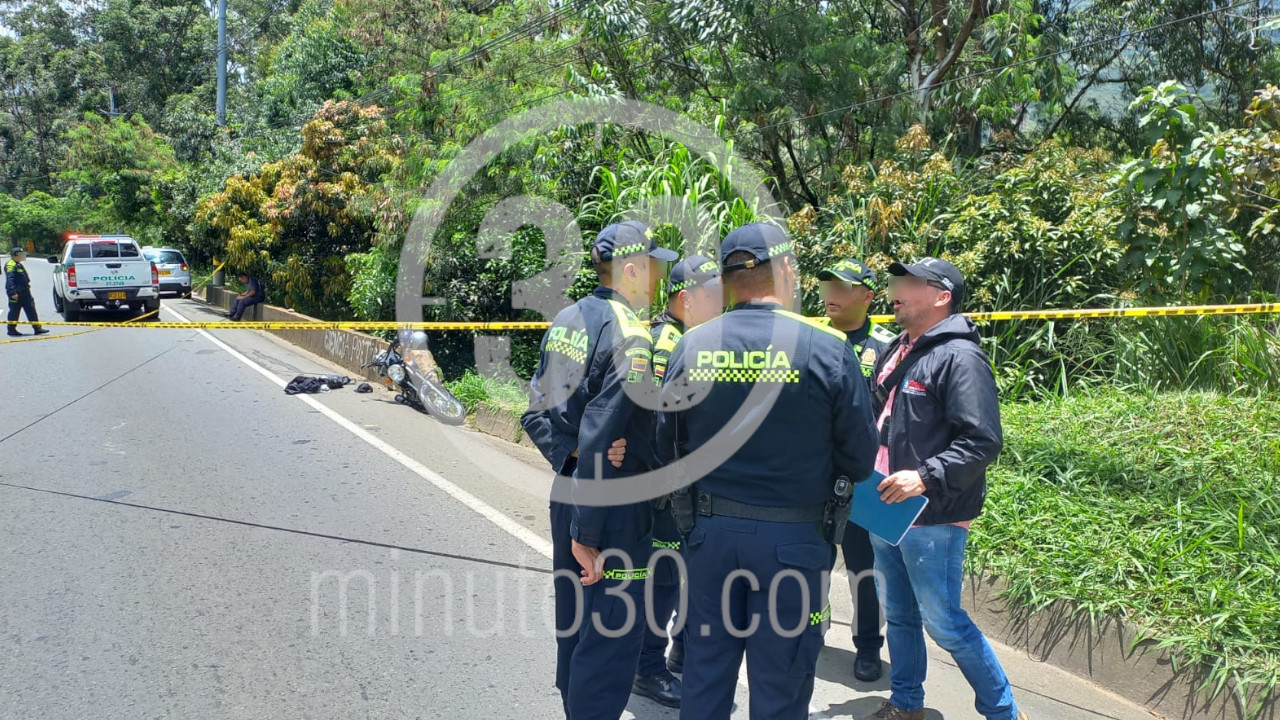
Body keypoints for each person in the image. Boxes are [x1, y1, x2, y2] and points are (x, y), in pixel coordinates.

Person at [656, 223, 878, 720]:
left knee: (705, 677)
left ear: (729, 279)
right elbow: (860, 458)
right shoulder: (828, 351)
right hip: (795, 542)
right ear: (785, 271)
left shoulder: (691, 347)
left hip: (709, 537)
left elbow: (666, 443)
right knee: (781, 685)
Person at [521, 220, 677, 720]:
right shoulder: (630, 334)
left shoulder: (567, 318)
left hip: (570, 490)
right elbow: (604, 428)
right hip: (608, 509)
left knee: (575, 624)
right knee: (610, 638)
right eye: (653, 267)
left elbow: (535, 411)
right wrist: (588, 530)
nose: (658, 279)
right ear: (630, 269)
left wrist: (572, 454)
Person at [857, 258, 1026, 720]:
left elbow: (983, 440)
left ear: (941, 295)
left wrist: (925, 477)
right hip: (884, 505)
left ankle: (1003, 712)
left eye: (908, 283)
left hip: (931, 513)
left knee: (945, 622)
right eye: (896, 281)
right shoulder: (898, 348)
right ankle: (906, 703)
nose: (896, 290)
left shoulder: (960, 357)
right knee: (900, 613)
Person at [632, 254, 723, 708]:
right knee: (666, 578)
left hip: (669, 481)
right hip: (668, 484)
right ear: (687, 297)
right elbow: (661, 419)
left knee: (676, 575)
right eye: (714, 296)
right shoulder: (671, 343)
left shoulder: (670, 334)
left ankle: (670, 654)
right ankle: (648, 667)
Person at [816, 257, 896, 682]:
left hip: (862, 476)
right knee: (813, 560)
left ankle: (868, 646)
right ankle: (813, 634)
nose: (833, 294)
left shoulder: (885, 346)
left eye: (844, 287)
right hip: (813, 473)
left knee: (864, 566)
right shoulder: (811, 340)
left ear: (867, 296)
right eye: (829, 285)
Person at [6, 248, 48, 337]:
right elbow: (10, 280)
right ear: (16, 255)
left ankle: (37, 328)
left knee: (31, 309)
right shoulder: (11, 265)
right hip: (16, 292)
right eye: (22, 254)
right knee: (14, 311)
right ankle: (11, 330)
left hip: (25, 291)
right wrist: (13, 293)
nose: (24, 256)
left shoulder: (18, 264)